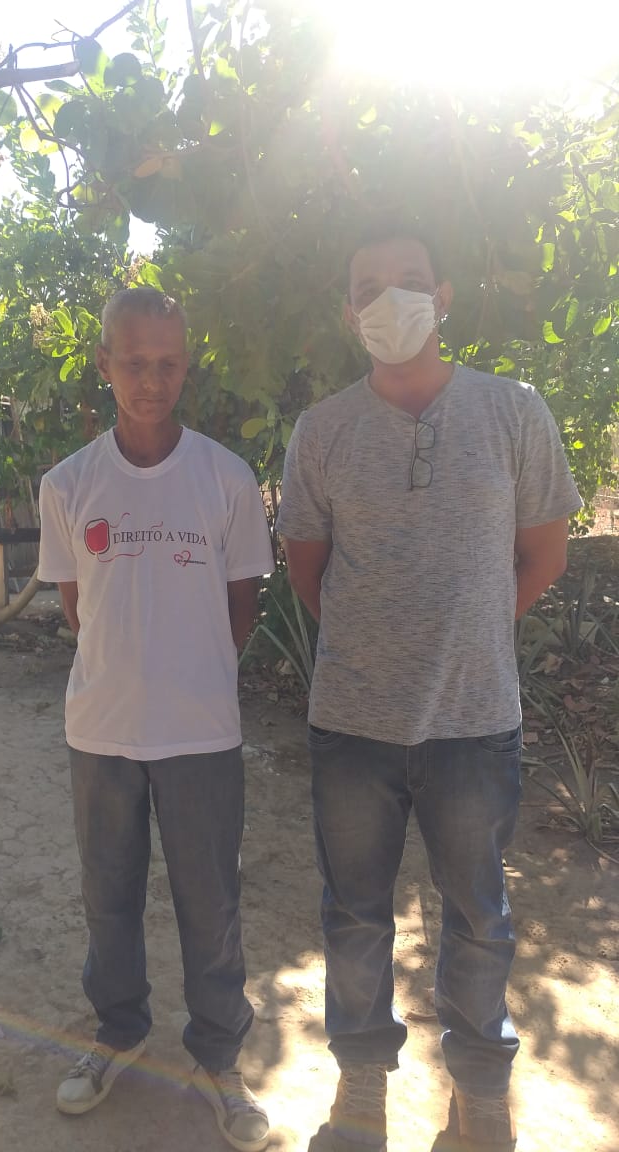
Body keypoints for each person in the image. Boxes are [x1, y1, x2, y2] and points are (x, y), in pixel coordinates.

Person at [277, 225, 582, 1152]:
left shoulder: (513, 411)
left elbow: (545, 553)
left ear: (443, 296)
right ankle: (362, 1089)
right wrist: (381, 649)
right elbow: (308, 571)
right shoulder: (323, 431)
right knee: (354, 917)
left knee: (480, 919)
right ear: (348, 312)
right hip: (353, 726)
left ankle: (479, 1092)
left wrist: (468, 637)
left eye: (410, 280)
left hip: (474, 722)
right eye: (369, 286)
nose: (391, 298)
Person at [38, 287, 274, 1152]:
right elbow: (79, 609)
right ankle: (119, 1032)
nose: (151, 379)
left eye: (168, 363)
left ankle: (218, 1056)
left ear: (187, 365)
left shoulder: (226, 478)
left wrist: (188, 677)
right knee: (109, 898)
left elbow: (239, 605)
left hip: (201, 734)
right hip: (101, 733)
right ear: (105, 362)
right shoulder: (69, 484)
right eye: (134, 362)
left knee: (212, 906)